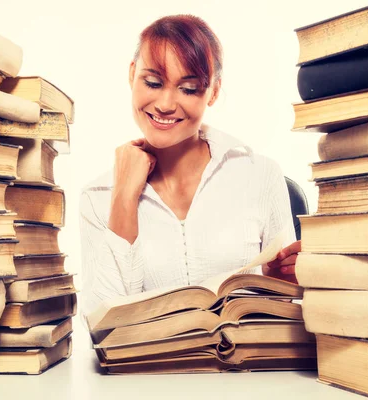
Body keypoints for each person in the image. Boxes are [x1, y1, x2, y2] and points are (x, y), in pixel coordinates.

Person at [79, 14, 300, 316]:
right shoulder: (96, 197)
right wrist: (123, 199)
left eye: (188, 88)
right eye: (153, 82)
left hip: (243, 362)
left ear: (214, 91)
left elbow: (285, 310)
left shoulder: (261, 175)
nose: (166, 104)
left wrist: (283, 283)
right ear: (132, 75)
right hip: (153, 363)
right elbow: (101, 322)